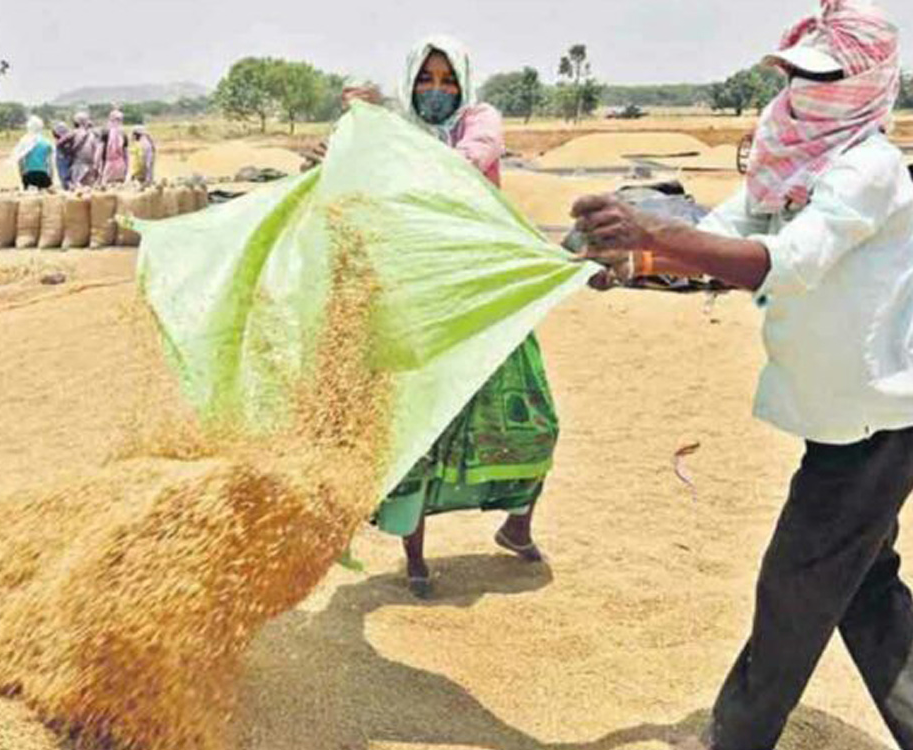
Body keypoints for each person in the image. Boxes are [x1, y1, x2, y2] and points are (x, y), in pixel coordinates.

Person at [572, 2, 913, 747]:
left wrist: (657, 231)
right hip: (842, 412)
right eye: (795, 74)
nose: (802, 92)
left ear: (868, 84)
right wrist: (638, 264)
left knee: (796, 583)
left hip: (879, 418)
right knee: (860, 585)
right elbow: (728, 235)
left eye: (823, 79)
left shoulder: (869, 169)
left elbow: (788, 262)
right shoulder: (789, 158)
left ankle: (737, 736)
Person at [331, 36, 550, 599]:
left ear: (464, 83)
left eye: (446, 80)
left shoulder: (479, 120)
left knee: (534, 419)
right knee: (420, 429)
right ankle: (416, 558)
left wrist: (390, 142)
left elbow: (475, 157)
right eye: (426, 80)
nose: (436, 90)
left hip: (485, 296)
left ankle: (516, 524)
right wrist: (362, 129)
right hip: (419, 299)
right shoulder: (397, 132)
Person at [13, 115, 55, 189]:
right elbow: (50, 164)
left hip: (29, 175)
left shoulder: (25, 142)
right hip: (43, 175)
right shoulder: (46, 143)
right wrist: (50, 178)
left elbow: (20, 162)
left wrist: (23, 176)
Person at [66, 112, 101, 187]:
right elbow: (97, 151)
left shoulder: (74, 133)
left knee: (78, 191)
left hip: (78, 166)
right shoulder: (93, 134)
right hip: (90, 167)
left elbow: (62, 144)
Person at [99, 109, 130, 184]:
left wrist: (97, 166)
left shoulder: (105, 133)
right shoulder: (123, 134)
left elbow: (99, 151)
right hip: (120, 165)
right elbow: (126, 154)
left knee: (106, 188)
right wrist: (126, 168)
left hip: (107, 165)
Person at [52, 122, 74, 189]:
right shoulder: (68, 142)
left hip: (64, 162)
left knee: (64, 177)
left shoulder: (61, 144)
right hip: (66, 162)